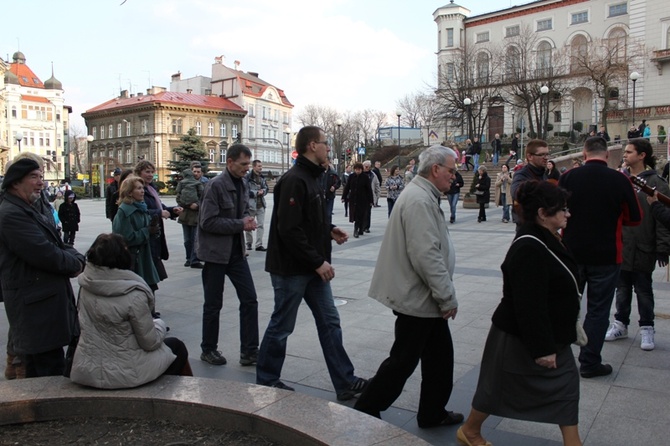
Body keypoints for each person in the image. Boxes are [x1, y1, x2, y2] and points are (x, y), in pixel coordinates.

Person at [458, 180, 582, 446]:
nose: (567, 214)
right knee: (496, 387)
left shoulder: (547, 238)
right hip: (521, 337)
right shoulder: (529, 246)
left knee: (567, 388)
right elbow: (529, 304)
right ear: (542, 214)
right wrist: (542, 348)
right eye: (562, 209)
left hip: (549, 334)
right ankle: (470, 430)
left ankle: (573, 442)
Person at [257, 126, 368, 400]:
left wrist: (328, 229)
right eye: (325, 143)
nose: (328, 148)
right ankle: (267, 380)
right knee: (282, 326)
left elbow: (308, 219)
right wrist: (318, 261)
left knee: (330, 322)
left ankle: (344, 381)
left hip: (311, 267)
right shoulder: (294, 179)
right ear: (311, 145)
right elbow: (289, 229)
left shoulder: (312, 177)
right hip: (292, 269)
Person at [354, 145, 462, 427]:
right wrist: (447, 297)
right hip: (418, 298)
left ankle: (432, 412)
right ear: (436, 169)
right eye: (451, 170)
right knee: (402, 361)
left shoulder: (422, 195)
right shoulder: (419, 200)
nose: (455, 175)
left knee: (439, 359)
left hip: (424, 298)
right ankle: (366, 406)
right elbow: (426, 254)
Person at [558, 136, 642, 378]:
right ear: (606, 155)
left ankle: (558, 360)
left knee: (566, 306)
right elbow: (635, 218)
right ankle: (590, 362)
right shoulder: (620, 179)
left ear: (584, 154)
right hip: (606, 254)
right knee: (598, 310)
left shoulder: (568, 177)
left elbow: (554, 211)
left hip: (572, 252)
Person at [70, 233, 192, 389]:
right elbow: (150, 342)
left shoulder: (86, 286)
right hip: (125, 373)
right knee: (176, 347)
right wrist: (160, 324)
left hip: (89, 368)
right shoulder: (133, 294)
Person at [0, 158, 85, 378]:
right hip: (35, 311)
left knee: (49, 368)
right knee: (44, 376)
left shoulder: (28, 208)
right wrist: (75, 264)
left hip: (43, 308)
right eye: (34, 177)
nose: (41, 183)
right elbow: (46, 254)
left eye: (41, 177)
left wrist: (77, 258)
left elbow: (57, 242)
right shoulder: (12, 214)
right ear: (15, 183)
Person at [196, 144, 260, 367]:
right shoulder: (215, 186)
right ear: (229, 162)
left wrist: (247, 221)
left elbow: (240, 213)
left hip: (236, 253)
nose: (246, 169)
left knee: (250, 299)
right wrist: (239, 224)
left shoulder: (242, 183)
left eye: (248, 164)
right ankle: (208, 349)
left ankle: (250, 351)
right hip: (215, 254)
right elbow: (207, 222)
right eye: (243, 164)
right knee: (213, 304)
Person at [605, 138, 670, 351]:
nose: (625, 155)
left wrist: (663, 246)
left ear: (642, 155)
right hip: (622, 244)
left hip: (644, 245)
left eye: (629, 152)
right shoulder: (619, 179)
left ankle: (647, 328)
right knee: (621, 288)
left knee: (643, 289)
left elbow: (662, 219)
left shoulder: (657, 183)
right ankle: (620, 324)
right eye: (624, 152)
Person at [134, 161, 182, 291]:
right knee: (148, 273)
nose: (150, 175)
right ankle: (148, 306)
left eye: (151, 172)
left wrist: (172, 210)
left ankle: (150, 306)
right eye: (147, 172)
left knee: (152, 272)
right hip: (146, 233)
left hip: (154, 233)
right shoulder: (137, 189)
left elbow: (158, 206)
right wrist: (159, 212)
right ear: (139, 173)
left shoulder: (151, 188)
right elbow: (139, 211)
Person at [112, 175, 161, 294]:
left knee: (148, 286)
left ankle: (150, 310)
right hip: (134, 258)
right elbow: (125, 238)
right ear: (129, 192)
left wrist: (155, 230)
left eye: (142, 188)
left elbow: (149, 230)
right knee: (137, 288)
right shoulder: (124, 212)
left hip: (145, 255)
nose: (142, 191)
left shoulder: (142, 208)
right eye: (138, 188)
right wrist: (147, 231)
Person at [511, 140, 550, 224]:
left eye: (547, 154)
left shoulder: (543, 173)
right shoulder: (521, 174)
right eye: (541, 154)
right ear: (530, 156)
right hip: (528, 224)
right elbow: (516, 193)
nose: (546, 158)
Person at [176, 167, 204, 268]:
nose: (196, 173)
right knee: (187, 240)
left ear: (201, 173)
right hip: (185, 215)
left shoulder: (202, 184)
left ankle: (194, 259)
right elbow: (178, 198)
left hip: (197, 216)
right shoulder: (183, 183)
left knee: (195, 239)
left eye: (198, 172)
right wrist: (187, 205)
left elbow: (206, 199)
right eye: (194, 171)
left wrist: (197, 205)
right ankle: (189, 258)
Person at [341, 162, 373, 238]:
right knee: (356, 215)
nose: (358, 171)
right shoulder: (351, 176)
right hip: (353, 199)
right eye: (356, 169)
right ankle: (356, 230)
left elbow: (369, 189)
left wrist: (371, 200)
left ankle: (361, 229)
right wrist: (344, 197)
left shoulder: (365, 177)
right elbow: (347, 187)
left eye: (359, 170)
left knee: (362, 215)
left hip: (363, 199)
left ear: (361, 170)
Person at [245, 159, 269, 251]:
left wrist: (263, 191)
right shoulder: (248, 177)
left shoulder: (262, 177)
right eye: (259, 166)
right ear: (254, 167)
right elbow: (245, 190)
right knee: (249, 225)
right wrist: (256, 193)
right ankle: (249, 243)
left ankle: (259, 245)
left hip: (261, 205)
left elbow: (266, 188)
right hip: (251, 205)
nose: (261, 168)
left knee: (261, 225)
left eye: (261, 166)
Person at [320, 160, 341, 225]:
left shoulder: (333, 173)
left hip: (329, 196)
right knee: (321, 214)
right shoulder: (319, 172)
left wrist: (334, 187)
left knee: (328, 214)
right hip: (320, 196)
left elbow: (338, 182)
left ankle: (328, 228)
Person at [363, 160, 380, 228]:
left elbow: (377, 185)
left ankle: (367, 227)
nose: (367, 168)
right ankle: (361, 226)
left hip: (369, 196)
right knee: (361, 213)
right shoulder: (360, 174)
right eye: (366, 166)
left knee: (367, 212)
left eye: (368, 166)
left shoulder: (373, 175)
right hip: (361, 196)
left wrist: (377, 197)